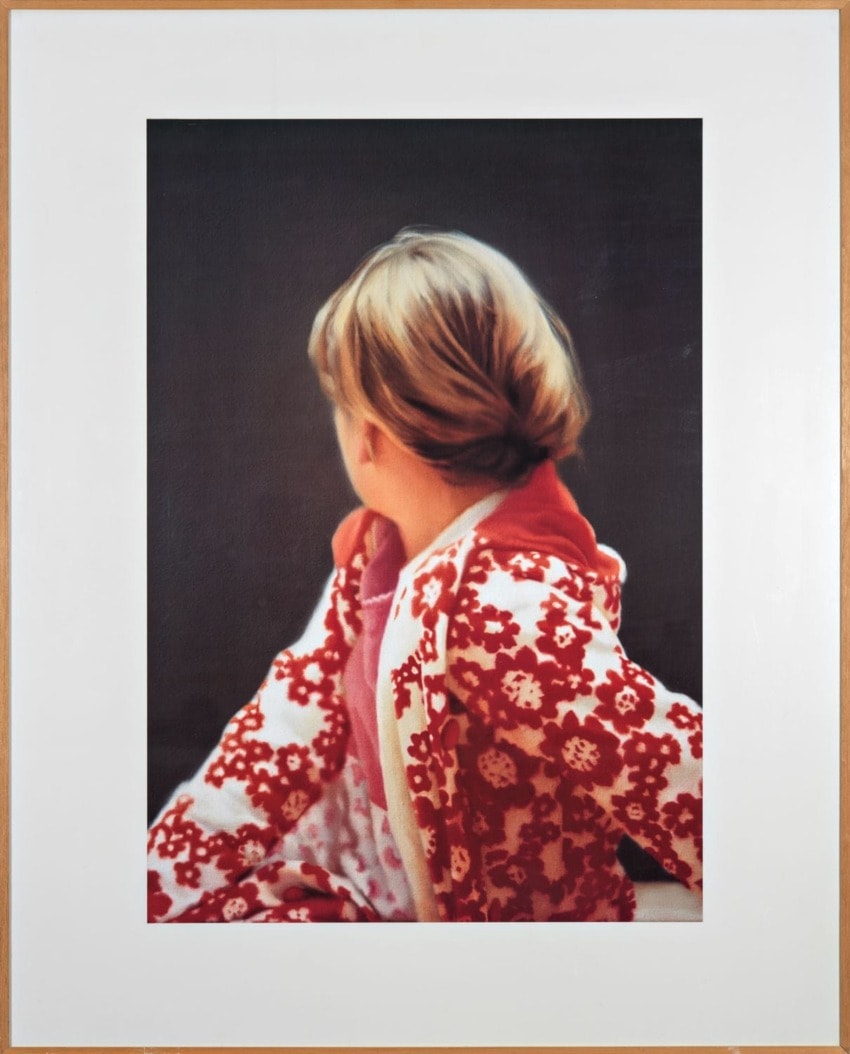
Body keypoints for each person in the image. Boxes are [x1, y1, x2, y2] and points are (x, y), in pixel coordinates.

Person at [147, 229, 702, 923]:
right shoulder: (375, 558)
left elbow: (676, 773)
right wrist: (153, 887)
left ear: (371, 433)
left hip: (521, 954)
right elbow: (281, 734)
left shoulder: (507, 606)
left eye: (342, 404)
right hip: (391, 907)